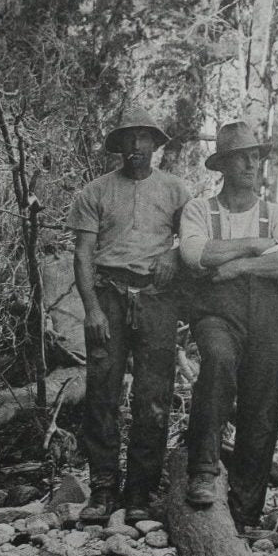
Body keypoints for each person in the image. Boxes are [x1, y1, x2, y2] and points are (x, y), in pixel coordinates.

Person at [178, 120, 278, 527]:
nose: (251, 165)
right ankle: (202, 469)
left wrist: (238, 266)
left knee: (263, 400)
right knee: (216, 362)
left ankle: (246, 507)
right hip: (217, 312)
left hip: (268, 314)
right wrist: (254, 246)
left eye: (255, 157)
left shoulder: (277, 214)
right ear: (223, 166)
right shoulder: (201, 209)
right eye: (241, 159)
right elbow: (195, 255)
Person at [68, 106, 190, 523]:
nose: (136, 147)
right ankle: (103, 489)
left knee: (153, 397)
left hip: (157, 298)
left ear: (156, 145)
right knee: (102, 392)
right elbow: (83, 254)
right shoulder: (95, 192)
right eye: (129, 139)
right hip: (109, 295)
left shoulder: (177, 191)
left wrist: (174, 253)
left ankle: (140, 491)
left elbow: (193, 240)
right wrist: (92, 310)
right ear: (118, 145)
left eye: (144, 138)